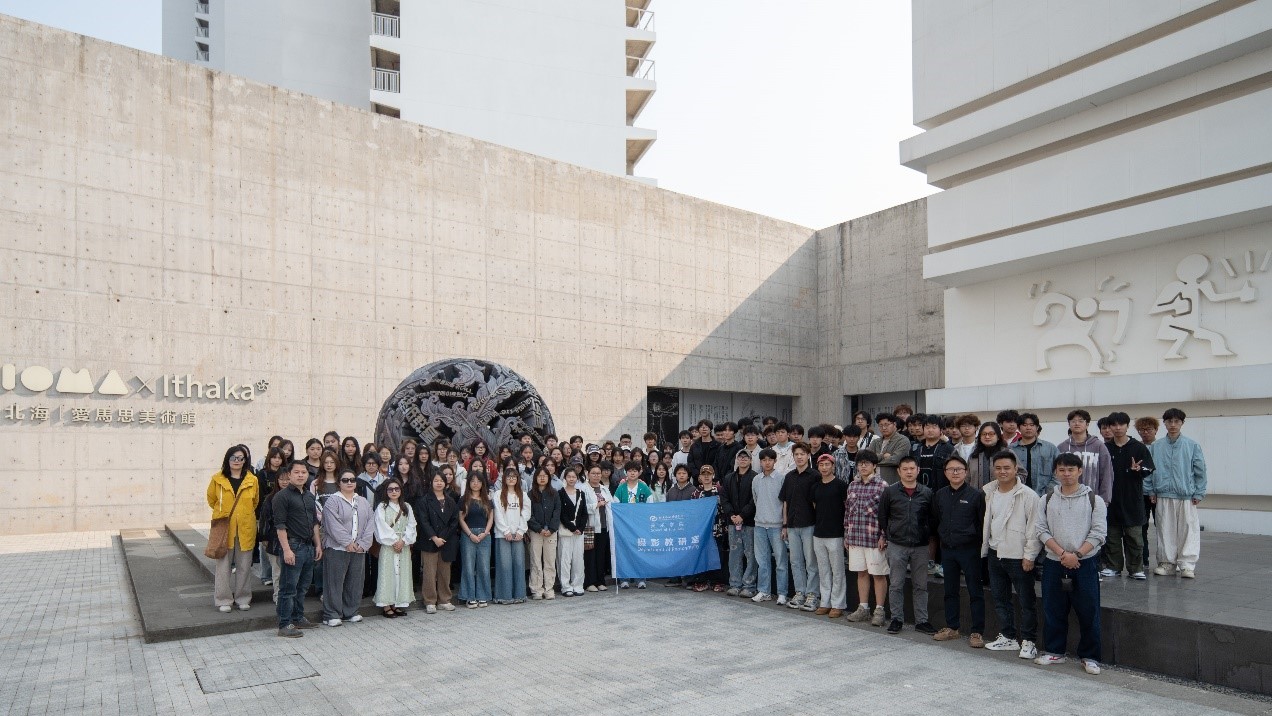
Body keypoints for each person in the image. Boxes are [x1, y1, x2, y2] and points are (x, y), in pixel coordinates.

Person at [1035, 453, 1107, 674]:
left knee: (1089, 610)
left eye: (1071, 470)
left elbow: (1099, 532)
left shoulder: (1094, 499)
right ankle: (1055, 651)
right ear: (1056, 472)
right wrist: (1062, 553)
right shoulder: (1047, 499)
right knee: (1053, 608)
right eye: (1062, 470)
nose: (1066, 474)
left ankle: (1090, 656)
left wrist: (1076, 554)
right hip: (1054, 562)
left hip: (1085, 563)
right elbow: (1041, 530)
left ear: (1080, 471)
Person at [980, 452, 1042, 659]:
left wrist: (1029, 555)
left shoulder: (1028, 495)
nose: (1002, 472)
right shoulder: (989, 491)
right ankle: (1008, 636)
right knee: (1000, 599)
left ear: (1016, 469)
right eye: (998, 468)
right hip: (995, 553)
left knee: (1026, 601)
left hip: (1018, 556)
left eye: (1007, 468)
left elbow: (1034, 528)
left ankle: (1029, 641)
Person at [931, 454, 986, 648]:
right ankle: (952, 627)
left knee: (975, 591)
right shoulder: (940, 495)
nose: (955, 473)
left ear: (966, 472)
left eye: (959, 469)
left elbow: (981, 524)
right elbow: (937, 519)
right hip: (948, 550)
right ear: (945, 473)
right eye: (951, 470)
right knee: (950, 590)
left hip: (970, 550)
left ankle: (977, 632)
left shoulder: (976, 495)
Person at [1146, 408, 1207, 579]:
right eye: (1169, 421)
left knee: (1188, 530)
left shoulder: (1192, 445)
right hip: (1163, 494)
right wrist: (1150, 490)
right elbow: (1149, 471)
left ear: (1182, 423)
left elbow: (1200, 471)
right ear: (1164, 423)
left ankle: (1187, 565)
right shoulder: (1156, 446)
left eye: (1177, 421)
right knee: (1165, 530)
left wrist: (1199, 492)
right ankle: (1167, 563)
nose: (1173, 425)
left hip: (1186, 495)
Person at [878, 456, 936, 635]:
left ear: (918, 470)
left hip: (920, 545)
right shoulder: (890, 492)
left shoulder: (927, 492)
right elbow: (882, 515)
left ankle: (922, 621)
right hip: (897, 544)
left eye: (912, 468)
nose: (909, 472)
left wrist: (926, 536)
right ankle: (896, 619)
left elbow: (932, 518)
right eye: (905, 469)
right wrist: (888, 534)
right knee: (896, 584)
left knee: (921, 585)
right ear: (899, 471)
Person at [1101, 412, 1155, 580]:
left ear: (1127, 426)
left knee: (1135, 537)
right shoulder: (1105, 448)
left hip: (1133, 499)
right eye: (1114, 425)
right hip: (1111, 499)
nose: (1118, 428)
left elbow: (1149, 468)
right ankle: (1113, 567)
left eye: (1121, 424)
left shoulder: (1138, 447)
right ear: (1110, 427)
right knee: (1112, 536)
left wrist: (1139, 469)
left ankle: (1136, 568)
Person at [207, 444, 260, 613]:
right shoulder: (217, 479)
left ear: (245, 461)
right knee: (223, 566)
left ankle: (243, 598)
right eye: (233, 458)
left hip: (245, 527)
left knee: (244, 565)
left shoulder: (252, 480)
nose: (237, 461)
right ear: (227, 459)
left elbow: (255, 502)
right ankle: (223, 599)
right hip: (224, 528)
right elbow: (211, 500)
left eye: (240, 458)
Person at [320, 468, 374, 626]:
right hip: (337, 549)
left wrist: (363, 544)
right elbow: (333, 525)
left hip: (358, 549)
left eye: (352, 480)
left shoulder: (362, 501)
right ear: (339, 483)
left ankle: (351, 612)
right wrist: (347, 543)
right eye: (345, 480)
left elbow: (370, 523)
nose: (349, 482)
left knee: (355, 582)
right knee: (334, 583)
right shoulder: (332, 501)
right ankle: (331, 614)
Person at [274, 460, 322, 638]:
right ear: (289, 475)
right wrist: (287, 550)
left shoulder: (309, 496)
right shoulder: (282, 497)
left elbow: (314, 523)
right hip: (293, 546)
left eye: (304, 472)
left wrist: (318, 545)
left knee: (302, 587)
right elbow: (280, 526)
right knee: (288, 588)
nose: (301, 475)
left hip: (308, 547)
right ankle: (284, 624)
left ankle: (298, 617)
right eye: (297, 472)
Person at [844, 450, 889, 626]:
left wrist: (884, 536)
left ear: (874, 465)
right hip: (855, 537)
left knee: (878, 574)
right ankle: (863, 608)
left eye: (867, 463)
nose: (863, 466)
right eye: (860, 463)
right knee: (861, 573)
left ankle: (879, 610)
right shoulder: (852, 485)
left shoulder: (882, 486)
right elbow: (848, 512)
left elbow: (887, 514)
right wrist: (847, 534)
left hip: (874, 539)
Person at [780, 442, 819, 612]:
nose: (799, 457)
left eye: (803, 454)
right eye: (796, 454)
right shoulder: (789, 477)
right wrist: (785, 525)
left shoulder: (815, 476)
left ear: (808, 455)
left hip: (810, 524)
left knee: (811, 562)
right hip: (792, 525)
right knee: (795, 561)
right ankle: (799, 592)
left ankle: (812, 594)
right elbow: (785, 502)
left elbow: (817, 503)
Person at [810, 454, 849, 618]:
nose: (824, 467)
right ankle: (825, 602)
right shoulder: (815, 487)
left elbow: (847, 508)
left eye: (827, 464)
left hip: (836, 534)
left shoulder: (841, 485)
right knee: (823, 570)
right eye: (822, 465)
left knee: (837, 571)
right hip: (819, 533)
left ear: (833, 466)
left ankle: (838, 604)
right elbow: (814, 506)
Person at [751, 448, 790, 604]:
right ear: (760, 462)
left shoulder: (781, 479)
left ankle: (782, 593)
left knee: (781, 561)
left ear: (775, 461)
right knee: (762, 561)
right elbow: (756, 499)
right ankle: (764, 591)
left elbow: (785, 503)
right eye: (764, 460)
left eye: (770, 460)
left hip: (777, 525)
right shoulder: (756, 479)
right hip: (759, 525)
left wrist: (784, 525)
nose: (767, 463)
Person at [373, 478, 417, 617]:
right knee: (388, 574)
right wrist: (393, 541)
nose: (394, 492)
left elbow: (412, 525)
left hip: (403, 545)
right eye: (390, 489)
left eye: (396, 489)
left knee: (402, 574)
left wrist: (403, 541)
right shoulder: (382, 507)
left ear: (401, 491)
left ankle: (397, 603)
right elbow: (380, 525)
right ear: (386, 491)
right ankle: (386, 605)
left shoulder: (406, 506)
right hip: (388, 546)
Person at [416, 473, 460, 614]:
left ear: (445, 483)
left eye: (441, 480)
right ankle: (429, 601)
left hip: (446, 541)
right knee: (429, 572)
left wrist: (443, 537)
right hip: (429, 541)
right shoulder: (424, 501)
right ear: (431, 483)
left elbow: (454, 521)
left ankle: (444, 600)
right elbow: (423, 521)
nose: (439, 483)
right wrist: (434, 537)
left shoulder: (450, 501)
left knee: (445, 572)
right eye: (436, 480)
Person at [720, 449, 758, 598]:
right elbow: (724, 498)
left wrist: (742, 515)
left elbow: (754, 500)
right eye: (740, 457)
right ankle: (735, 584)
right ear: (736, 460)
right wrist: (732, 515)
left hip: (749, 522)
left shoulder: (755, 477)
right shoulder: (729, 477)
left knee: (750, 554)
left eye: (745, 457)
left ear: (750, 460)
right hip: (733, 521)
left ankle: (749, 585)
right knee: (734, 553)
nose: (742, 459)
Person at [1057, 409, 1113, 504]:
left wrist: (1104, 500)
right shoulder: (1062, 447)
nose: (1077, 424)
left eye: (1081, 421)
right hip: (1066, 500)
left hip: (1092, 500)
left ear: (1087, 424)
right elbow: (1056, 475)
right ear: (1069, 424)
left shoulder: (1099, 446)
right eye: (1073, 421)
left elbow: (1106, 474)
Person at [492, 467, 530, 604]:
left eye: (514, 476)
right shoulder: (498, 494)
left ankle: (519, 595)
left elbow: (526, 514)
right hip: (503, 535)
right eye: (509, 476)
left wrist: (520, 531)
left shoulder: (523, 495)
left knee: (519, 564)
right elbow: (498, 514)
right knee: (504, 565)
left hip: (518, 534)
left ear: (518, 479)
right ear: (504, 479)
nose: (511, 479)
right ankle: (504, 596)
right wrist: (505, 531)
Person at [457, 473, 494, 608]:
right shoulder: (464, 499)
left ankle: (482, 596)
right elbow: (461, 519)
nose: (475, 483)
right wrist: (470, 534)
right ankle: (469, 597)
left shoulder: (487, 499)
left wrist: (485, 532)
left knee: (484, 567)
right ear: (469, 483)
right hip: (468, 535)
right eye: (472, 481)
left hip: (485, 535)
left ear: (482, 484)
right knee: (468, 566)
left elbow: (491, 518)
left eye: (478, 481)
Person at [614, 461, 653, 589]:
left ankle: (640, 578)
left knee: (640, 550)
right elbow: (615, 506)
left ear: (639, 472)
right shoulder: (621, 488)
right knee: (624, 551)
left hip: (640, 525)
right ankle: (624, 578)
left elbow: (650, 505)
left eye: (635, 471)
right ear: (626, 472)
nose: (632, 473)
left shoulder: (644, 487)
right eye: (630, 471)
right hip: (624, 526)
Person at [525, 468, 561, 599]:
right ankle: (536, 589)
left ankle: (549, 588)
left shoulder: (554, 493)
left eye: (545, 476)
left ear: (548, 478)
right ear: (535, 478)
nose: (542, 478)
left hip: (551, 532)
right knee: (535, 561)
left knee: (550, 561)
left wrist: (551, 529)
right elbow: (528, 514)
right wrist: (539, 529)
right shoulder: (530, 494)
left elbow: (557, 512)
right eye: (539, 476)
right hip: (536, 532)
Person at [557, 467, 589, 597]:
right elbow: (561, 514)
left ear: (577, 478)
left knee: (578, 559)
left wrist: (580, 528)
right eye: (569, 476)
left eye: (574, 477)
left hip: (579, 532)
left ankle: (577, 584)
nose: (571, 479)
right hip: (566, 530)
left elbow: (584, 513)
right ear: (565, 478)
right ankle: (565, 586)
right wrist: (571, 527)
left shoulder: (581, 493)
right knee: (564, 559)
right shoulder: (560, 493)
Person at [1135, 415, 1160, 569]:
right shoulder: (1137, 447)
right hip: (1140, 493)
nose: (1145, 433)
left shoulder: (1160, 447)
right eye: (1142, 430)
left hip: (1158, 493)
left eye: (1148, 429)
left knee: (1162, 527)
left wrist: (1153, 490)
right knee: (1141, 528)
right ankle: (1144, 560)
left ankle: (1165, 559)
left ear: (1156, 430)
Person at [582, 464, 612, 592]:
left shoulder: (604, 489)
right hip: (590, 527)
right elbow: (583, 507)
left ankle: (600, 581)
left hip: (604, 526)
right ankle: (590, 582)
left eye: (598, 473)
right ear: (588, 474)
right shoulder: (584, 489)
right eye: (593, 473)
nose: (596, 476)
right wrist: (597, 504)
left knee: (601, 555)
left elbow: (611, 503)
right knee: (590, 555)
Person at [1012, 413, 1057, 496]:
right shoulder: (1011, 450)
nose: (1028, 428)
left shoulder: (1050, 448)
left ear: (1037, 427)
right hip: (1018, 495)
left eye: (1032, 425)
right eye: (1024, 425)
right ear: (1018, 428)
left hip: (1045, 495)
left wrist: (1048, 491)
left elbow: (1058, 471)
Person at [868, 413, 909, 485]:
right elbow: (867, 459)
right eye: (881, 425)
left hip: (892, 482)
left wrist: (874, 463)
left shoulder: (903, 440)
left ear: (894, 424)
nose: (884, 428)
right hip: (874, 483)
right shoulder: (875, 442)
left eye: (886, 425)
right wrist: (883, 456)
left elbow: (896, 460)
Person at [966, 422, 1009, 491]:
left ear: (998, 436)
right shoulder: (973, 456)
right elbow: (967, 478)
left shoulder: (1007, 453)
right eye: (984, 434)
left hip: (1001, 495)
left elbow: (1021, 473)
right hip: (976, 495)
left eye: (991, 434)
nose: (987, 437)